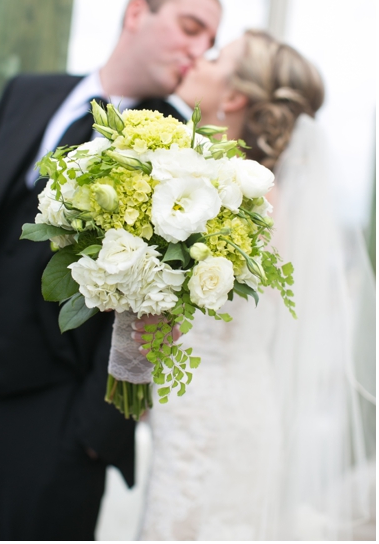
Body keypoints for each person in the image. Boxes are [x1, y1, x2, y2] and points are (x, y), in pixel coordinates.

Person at [0, 0, 222, 540]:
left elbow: (161, 307)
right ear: (137, 13)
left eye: (209, 43)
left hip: (60, 419)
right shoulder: (28, 92)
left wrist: (96, 435)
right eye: (191, 28)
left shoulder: (183, 150)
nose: (198, 50)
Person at [139, 30, 376, 540]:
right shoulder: (211, 182)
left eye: (217, 55)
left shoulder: (254, 203)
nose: (199, 57)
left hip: (214, 416)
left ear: (233, 97)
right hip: (194, 404)